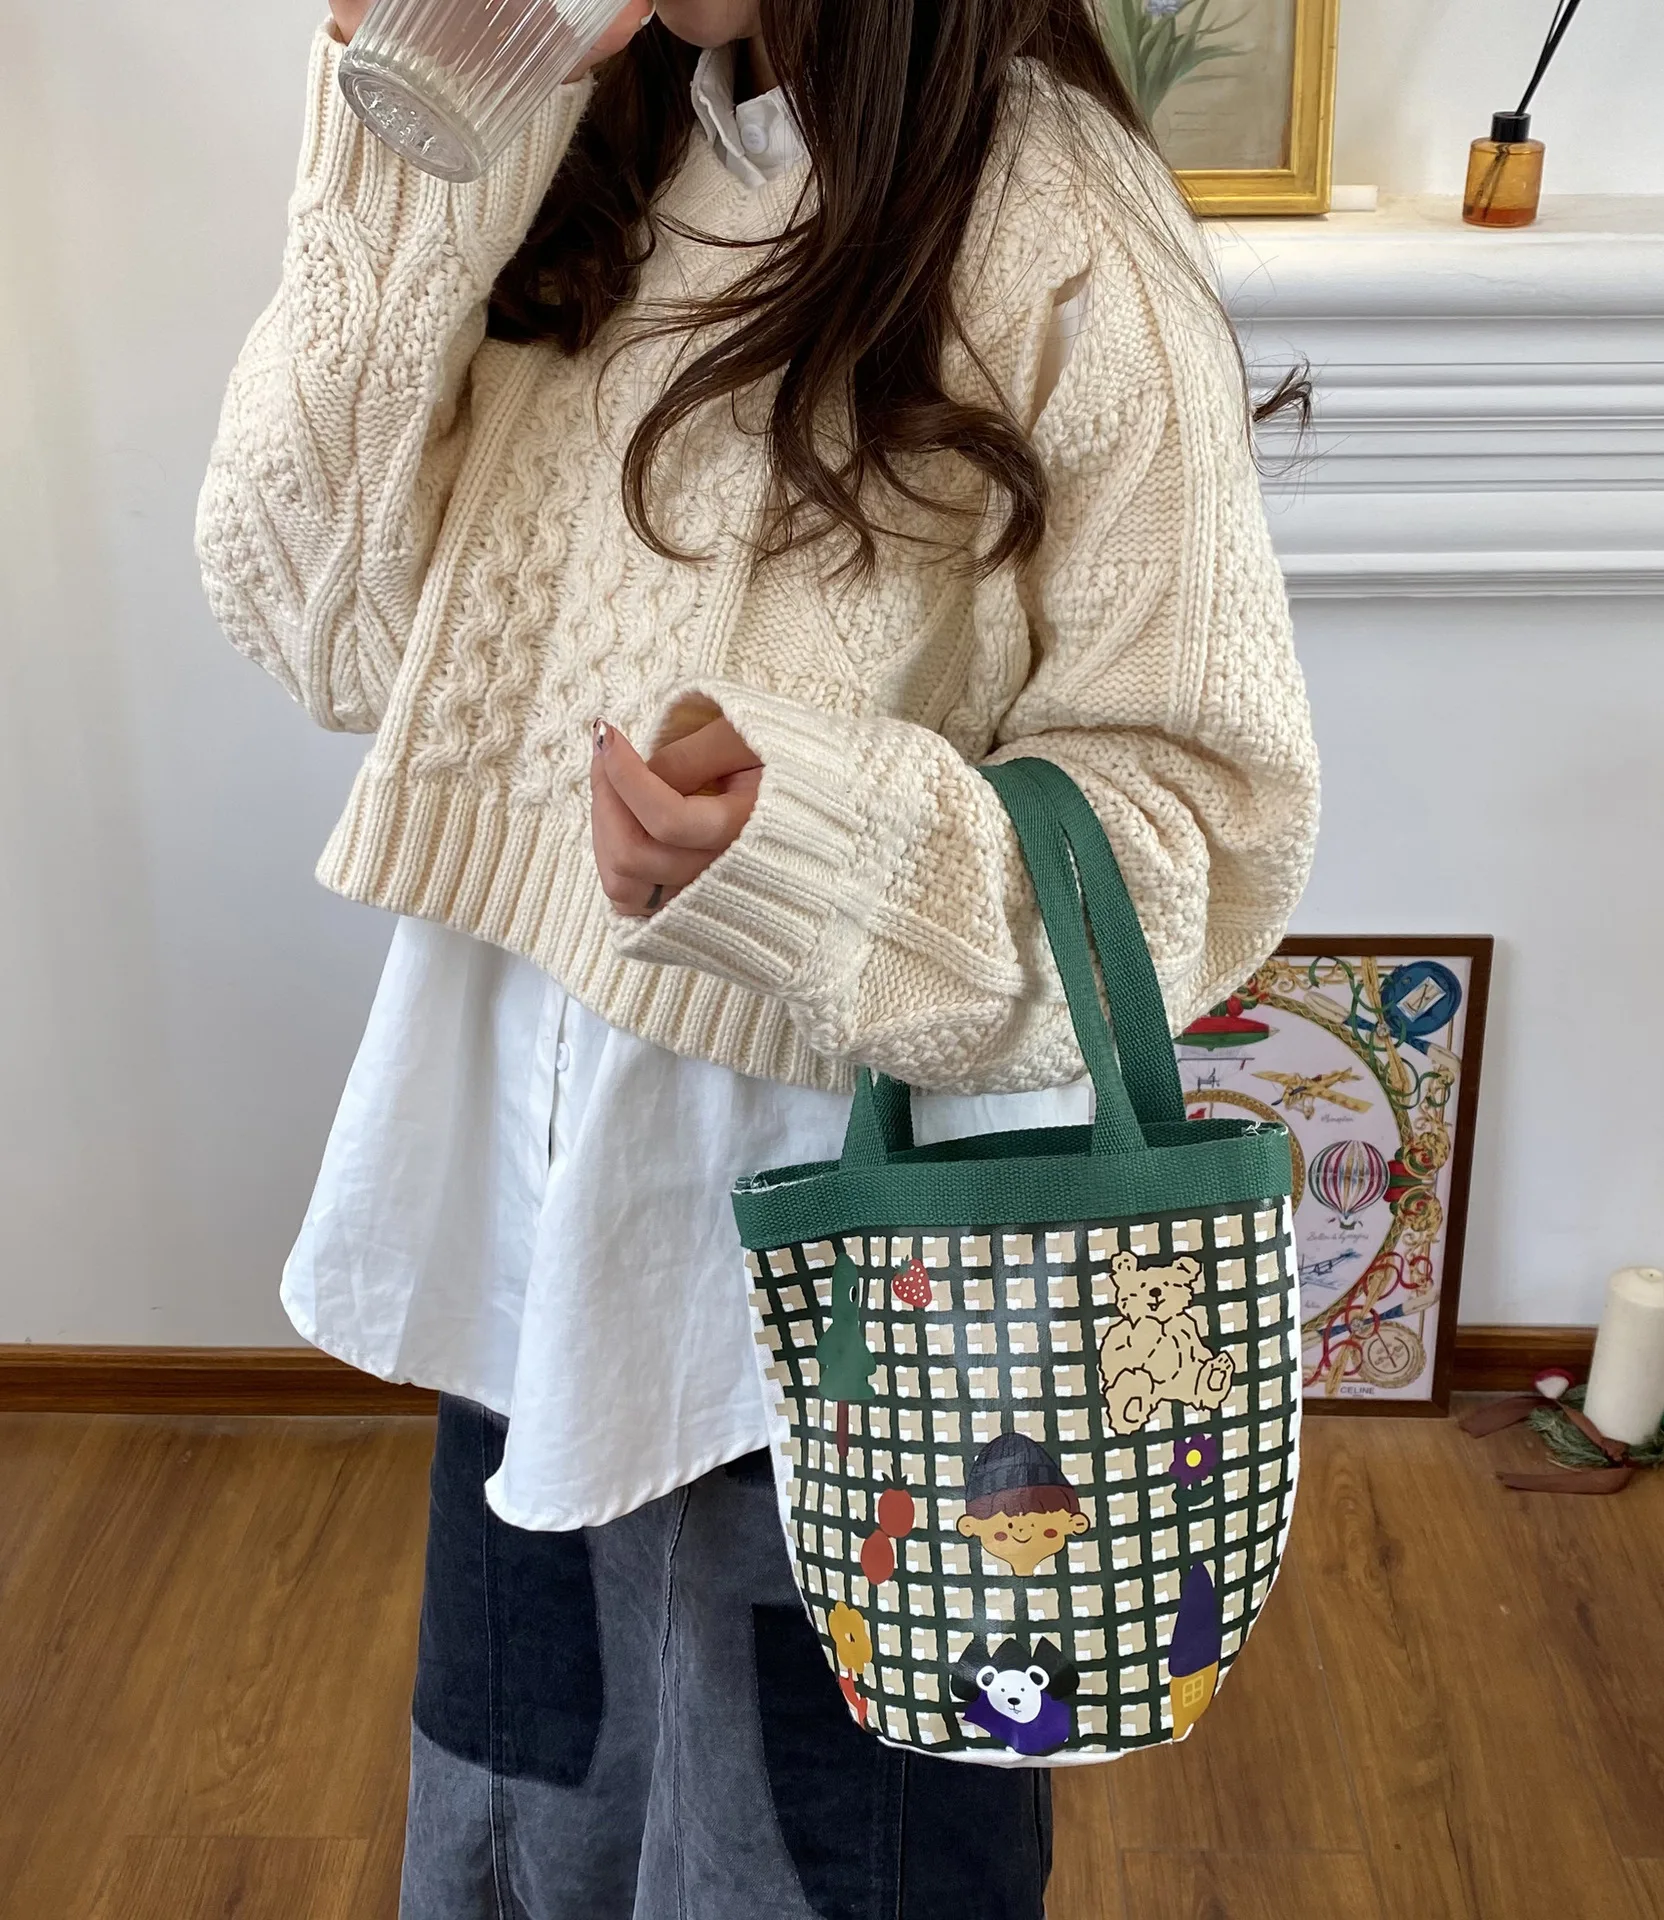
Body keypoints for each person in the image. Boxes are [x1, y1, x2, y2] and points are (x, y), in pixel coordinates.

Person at [194, 0, 1319, 1907]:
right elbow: (319, 629)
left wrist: (815, 851)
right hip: (532, 1248)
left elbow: (1200, 833)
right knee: (516, 1860)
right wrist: (409, 143)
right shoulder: (583, 153)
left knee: (815, 1878)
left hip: (870, 1280)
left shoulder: (1058, 226)